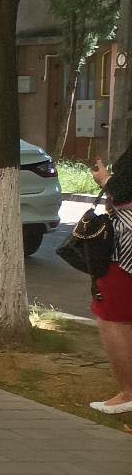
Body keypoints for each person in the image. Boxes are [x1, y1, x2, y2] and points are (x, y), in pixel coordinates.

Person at [88, 147, 132, 413]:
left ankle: (128, 393)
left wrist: (105, 179)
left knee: (113, 316)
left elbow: (123, 192)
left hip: (127, 251)